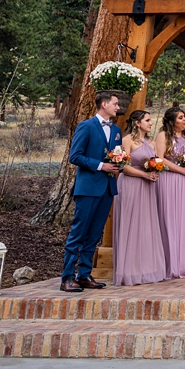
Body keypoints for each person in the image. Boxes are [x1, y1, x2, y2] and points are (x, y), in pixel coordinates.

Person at [61, 90, 123, 292]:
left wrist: (118, 165)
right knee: (78, 233)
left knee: (95, 234)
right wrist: (100, 166)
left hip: (107, 188)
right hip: (88, 188)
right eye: (115, 104)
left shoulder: (116, 131)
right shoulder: (86, 126)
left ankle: (85, 274)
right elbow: (75, 156)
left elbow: (116, 155)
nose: (118, 107)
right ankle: (67, 277)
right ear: (104, 104)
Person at [112, 109, 168, 286]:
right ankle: (128, 270)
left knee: (145, 226)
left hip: (147, 188)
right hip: (130, 185)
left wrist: (155, 172)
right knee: (131, 224)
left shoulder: (151, 142)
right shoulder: (127, 140)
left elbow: (157, 162)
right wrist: (144, 175)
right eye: (147, 120)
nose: (151, 123)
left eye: (150, 120)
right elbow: (122, 166)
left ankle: (145, 268)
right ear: (137, 123)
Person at [154, 106, 185, 278]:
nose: (184, 120)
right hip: (170, 180)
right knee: (171, 220)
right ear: (172, 121)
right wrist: (182, 171)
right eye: (181, 117)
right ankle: (171, 264)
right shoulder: (163, 136)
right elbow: (160, 158)